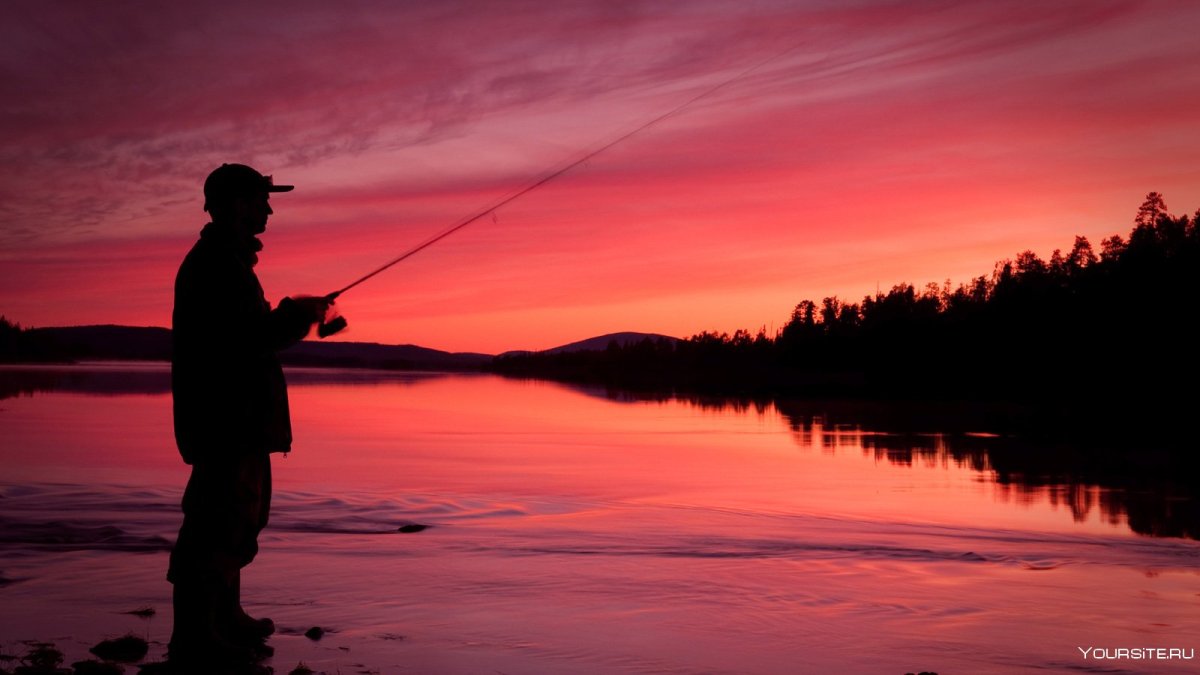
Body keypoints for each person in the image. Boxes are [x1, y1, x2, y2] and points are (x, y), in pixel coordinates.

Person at [167, 163, 333, 665]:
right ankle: (195, 634)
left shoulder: (230, 260)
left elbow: (250, 334)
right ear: (236, 203)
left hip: (239, 418)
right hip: (225, 418)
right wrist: (297, 315)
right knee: (215, 523)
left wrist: (293, 314)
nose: (269, 209)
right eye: (262, 199)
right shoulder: (216, 264)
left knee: (240, 518)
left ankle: (226, 615)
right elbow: (248, 339)